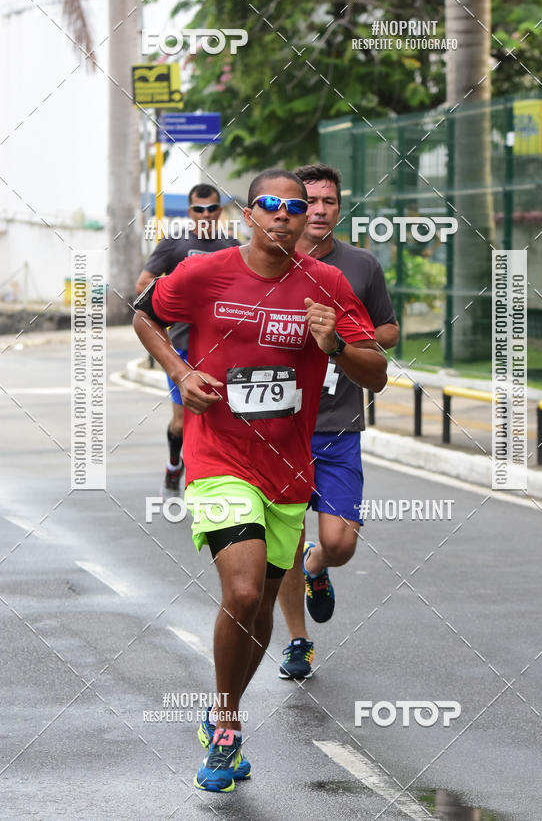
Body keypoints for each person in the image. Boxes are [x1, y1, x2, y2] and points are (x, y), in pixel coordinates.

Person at [133, 169, 387, 793]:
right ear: (249, 214)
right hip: (219, 457)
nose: (283, 216)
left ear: (306, 219)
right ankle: (225, 723)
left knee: (263, 607)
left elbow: (376, 372)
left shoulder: (326, 284)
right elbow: (145, 314)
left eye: (295, 208)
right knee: (243, 592)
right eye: (270, 206)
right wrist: (181, 370)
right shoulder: (205, 272)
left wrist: (335, 346)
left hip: (288, 468)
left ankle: (226, 710)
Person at [277, 163, 399, 681]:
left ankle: (317, 569)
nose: (320, 210)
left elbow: (388, 330)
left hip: (339, 424)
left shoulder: (361, 266)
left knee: (340, 543)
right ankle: (298, 642)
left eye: (330, 201)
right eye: (311, 201)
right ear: (293, 208)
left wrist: (347, 335)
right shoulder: (272, 263)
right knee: (282, 540)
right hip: (280, 427)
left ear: (339, 206)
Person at [135, 184, 239, 495]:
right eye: (199, 209)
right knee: (182, 421)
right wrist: (180, 291)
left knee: (222, 415)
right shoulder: (175, 244)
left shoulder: (233, 245)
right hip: (181, 346)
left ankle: (211, 478)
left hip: (223, 347)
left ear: (219, 211)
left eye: (211, 209)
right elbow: (143, 285)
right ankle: (173, 463)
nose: (205, 215)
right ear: (190, 212)